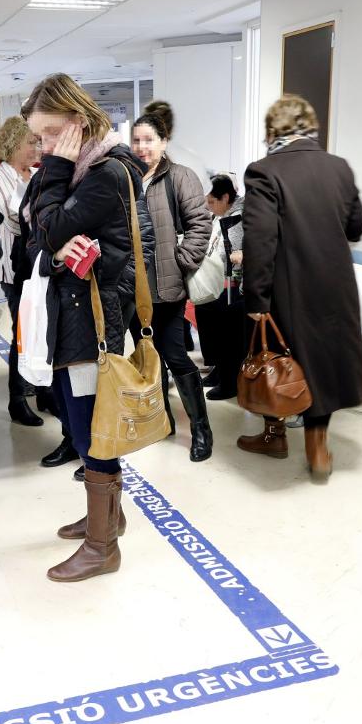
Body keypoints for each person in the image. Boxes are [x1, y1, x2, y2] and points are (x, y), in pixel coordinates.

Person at [22, 73, 146, 582]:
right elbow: (35, 234)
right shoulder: (80, 171)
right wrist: (52, 249)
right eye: (39, 138)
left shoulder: (106, 173)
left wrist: (54, 169)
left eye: (51, 133)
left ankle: (103, 548)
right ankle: (109, 516)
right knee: (80, 425)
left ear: (77, 124)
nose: (44, 146)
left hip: (94, 325)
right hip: (72, 320)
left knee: (92, 432)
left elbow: (46, 227)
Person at [238, 94, 362, 481]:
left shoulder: (264, 171)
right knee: (321, 363)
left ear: (273, 131)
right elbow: (356, 226)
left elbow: (260, 238)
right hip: (336, 285)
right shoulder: (339, 168)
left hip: (287, 285)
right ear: (311, 127)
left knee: (276, 359)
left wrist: (256, 297)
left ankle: (274, 434)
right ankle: (318, 447)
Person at [129, 101, 214, 462]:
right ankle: (162, 422)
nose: (141, 147)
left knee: (175, 355)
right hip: (132, 288)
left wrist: (182, 261)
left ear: (164, 141)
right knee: (148, 359)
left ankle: (201, 431)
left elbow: (201, 222)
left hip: (167, 287)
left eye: (148, 139)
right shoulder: (124, 178)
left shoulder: (180, 177)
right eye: (136, 140)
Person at [0, 115, 48, 427]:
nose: (36, 147)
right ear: (13, 145)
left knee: (42, 329)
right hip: (15, 267)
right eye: (30, 142)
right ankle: (17, 399)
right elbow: (9, 220)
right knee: (23, 332)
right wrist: (41, 215)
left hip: (40, 263)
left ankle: (44, 391)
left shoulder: (37, 173)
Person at [193, 173, 246, 401]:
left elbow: (233, 253)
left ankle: (230, 378)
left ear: (225, 197)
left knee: (226, 315)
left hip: (241, 284)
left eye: (212, 202)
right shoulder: (219, 215)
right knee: (203, 306)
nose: (210, 207)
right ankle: (218, 366)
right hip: (223, 279)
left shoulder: (241, 217)